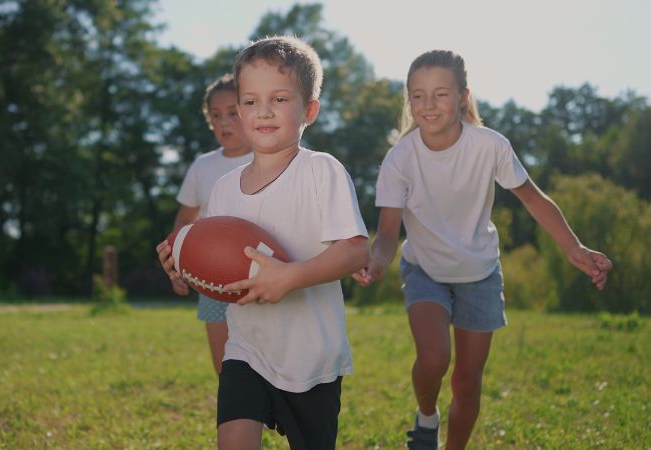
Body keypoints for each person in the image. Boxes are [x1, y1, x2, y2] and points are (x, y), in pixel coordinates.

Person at [352, 50, 613, 450]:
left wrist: (573, 247)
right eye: (417, 95)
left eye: (440, 93)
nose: (428, 105)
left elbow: (534, 199)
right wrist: (377, 262)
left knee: (467, 382)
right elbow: (388, 232)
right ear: (408, 101)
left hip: (480, 274)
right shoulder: (400, 158)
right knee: (435, 359)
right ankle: (426, 418)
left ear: (462, 96)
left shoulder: (489, 145)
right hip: (425, 270)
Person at [157, 35, 369, 450]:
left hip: (310, 358)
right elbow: (217, 258)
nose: (264, 111)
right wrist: (182, 261)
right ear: (238, 111)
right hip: (247, 350)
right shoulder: (222, 189)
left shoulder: (320, 171)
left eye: (280, 99)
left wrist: (290, 277)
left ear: (309, 110)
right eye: (251, 102)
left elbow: (356, 250)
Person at [170, 74, 254, 375]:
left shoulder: (270, 159)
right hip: (214, 280)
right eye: (216, 116)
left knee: (269, 369)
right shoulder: (203, 166)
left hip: (263, 279)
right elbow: (185, 219)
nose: (224, 123)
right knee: (227, 371)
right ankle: (238, 418)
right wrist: (177, 263)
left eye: (233, 113)